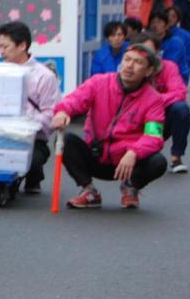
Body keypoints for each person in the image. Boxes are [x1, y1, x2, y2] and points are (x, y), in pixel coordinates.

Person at [52, 42, 168, 210]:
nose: (130, 65)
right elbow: (75, 99)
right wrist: (63, 111)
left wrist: (134, 152)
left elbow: (154, 136)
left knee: (158, 162)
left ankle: (130, 186)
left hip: (127, 163)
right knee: (65, 141)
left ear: (149, 71)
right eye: (127, 59)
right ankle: (89, 191)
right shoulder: (99, 82)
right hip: (96, 155)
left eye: (138, 62)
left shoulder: (154, 99)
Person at [0, 21, 62, 193]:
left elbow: (50, 118)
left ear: (22, 45)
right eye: (0, 47)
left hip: (32, 140)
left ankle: (34, 175)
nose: (1, 52)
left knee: (30, 159)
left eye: (6, 47)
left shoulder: (44, 77)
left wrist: (22, 121)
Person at [133, 31, 190, 174]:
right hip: (135, 120)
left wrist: (154, 100)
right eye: (142, 52)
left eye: (150, 51)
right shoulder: (130, 69)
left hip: (160, 119)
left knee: (181, 109)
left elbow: (179, 92)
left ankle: (176, 157)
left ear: (158, 51)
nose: (146, 56)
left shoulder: (169, 67)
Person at [148, 9, 190, 82]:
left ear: (167, 26)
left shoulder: (176, 42)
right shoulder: (148, 41)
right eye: (153, 22)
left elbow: (169, 65)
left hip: (175, 78)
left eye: (159, 22)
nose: (155, 25)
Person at [165, 5, 190, 83]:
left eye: (173, 16)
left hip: (177, 75)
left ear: (178, 19)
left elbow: (187, 60)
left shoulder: (186, 36)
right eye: (167, 15)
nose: (169, 18)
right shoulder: (158, 34)